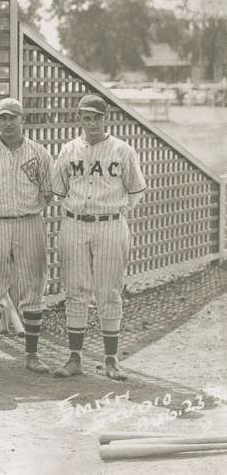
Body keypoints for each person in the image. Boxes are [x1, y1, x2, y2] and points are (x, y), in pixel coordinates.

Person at [51, 94, 147, 381]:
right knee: (75, 291)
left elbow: (136, 190)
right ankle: (75, 358)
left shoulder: (122, 150)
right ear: (80, 119)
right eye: (86, 117)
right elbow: (58, 190)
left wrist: (115, 212)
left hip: (110, 226)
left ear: (106, 119)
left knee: (109, 292)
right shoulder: (68, 150)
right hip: (75, 224)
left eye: (96, 117)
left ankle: (111, 360)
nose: (91, 123)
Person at [0, 98, 54, 375]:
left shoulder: (39, 153)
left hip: (29, 221)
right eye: (2, 118)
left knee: (33, 284)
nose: (7, 123)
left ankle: (32, 354)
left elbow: (49, 191)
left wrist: (28, 208)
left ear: (22, 120)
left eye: (12, 117)